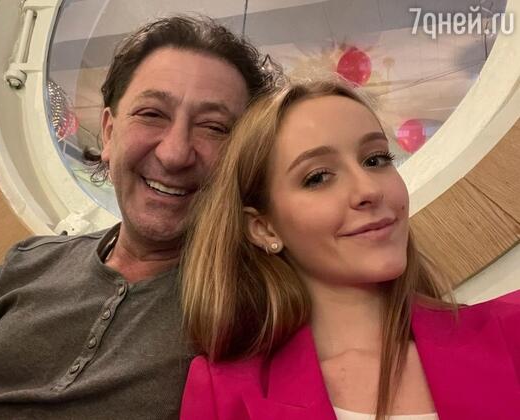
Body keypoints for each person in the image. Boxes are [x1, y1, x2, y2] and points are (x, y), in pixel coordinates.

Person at [0, 16, 277, 420]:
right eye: (151, 114)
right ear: (109, 133)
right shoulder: (27, 264)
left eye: (214, 128)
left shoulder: (256, 305)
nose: (174, 153)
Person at [179, 77, 520, 420]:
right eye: (318, 177)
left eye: (376, 159)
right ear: (264, 228)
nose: (368, 189)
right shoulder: (224, 391)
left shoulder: (511, 332)